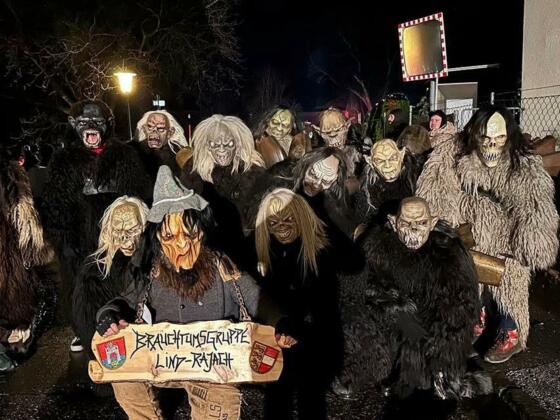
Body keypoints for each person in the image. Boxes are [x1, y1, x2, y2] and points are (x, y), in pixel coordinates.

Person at [96, 166, 297, 420]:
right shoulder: (152, 269)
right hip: (164, 362)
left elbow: (257, 299)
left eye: (190, 235)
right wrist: (109, 314)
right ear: (158, 239)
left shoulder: (221, 265)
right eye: (170, 237)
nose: (181, 245)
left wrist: (280, 322)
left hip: (214, 369)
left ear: (202, 231)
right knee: (123, 375)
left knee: (221, 403)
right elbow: (125, 300)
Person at [417, 106, 559, 362]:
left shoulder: (522, 163)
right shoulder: (452, 152)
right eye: (486, 137)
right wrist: (448, 225)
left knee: (510, 275)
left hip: (506, 232)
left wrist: (532, 237)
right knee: (466, 270)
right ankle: (476, 317)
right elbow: (436, 189)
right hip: (469, 226)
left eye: (500, 137)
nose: (492, 144)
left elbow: (535, 204)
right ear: (474, 133)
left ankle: (511, 328)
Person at [349, 197, 489, 399]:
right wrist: (400, 312)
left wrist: (442, 349)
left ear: (432, 223)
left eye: (421, 223)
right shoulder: (377, 246)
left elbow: (460, 302)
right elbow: (367, 288)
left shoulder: (447, 250)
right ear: (393, 223)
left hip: (434, 323)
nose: (413, 230)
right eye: (406, 223)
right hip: (394, 322)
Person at [253, 188, 341, 419]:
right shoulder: (266, 249)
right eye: (274, 222)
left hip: (312, 339)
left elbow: (323, 307)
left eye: (288, 219)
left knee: (309, 398)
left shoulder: (319, 253)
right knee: (277, 397)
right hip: (279, 334)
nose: (281, 227)